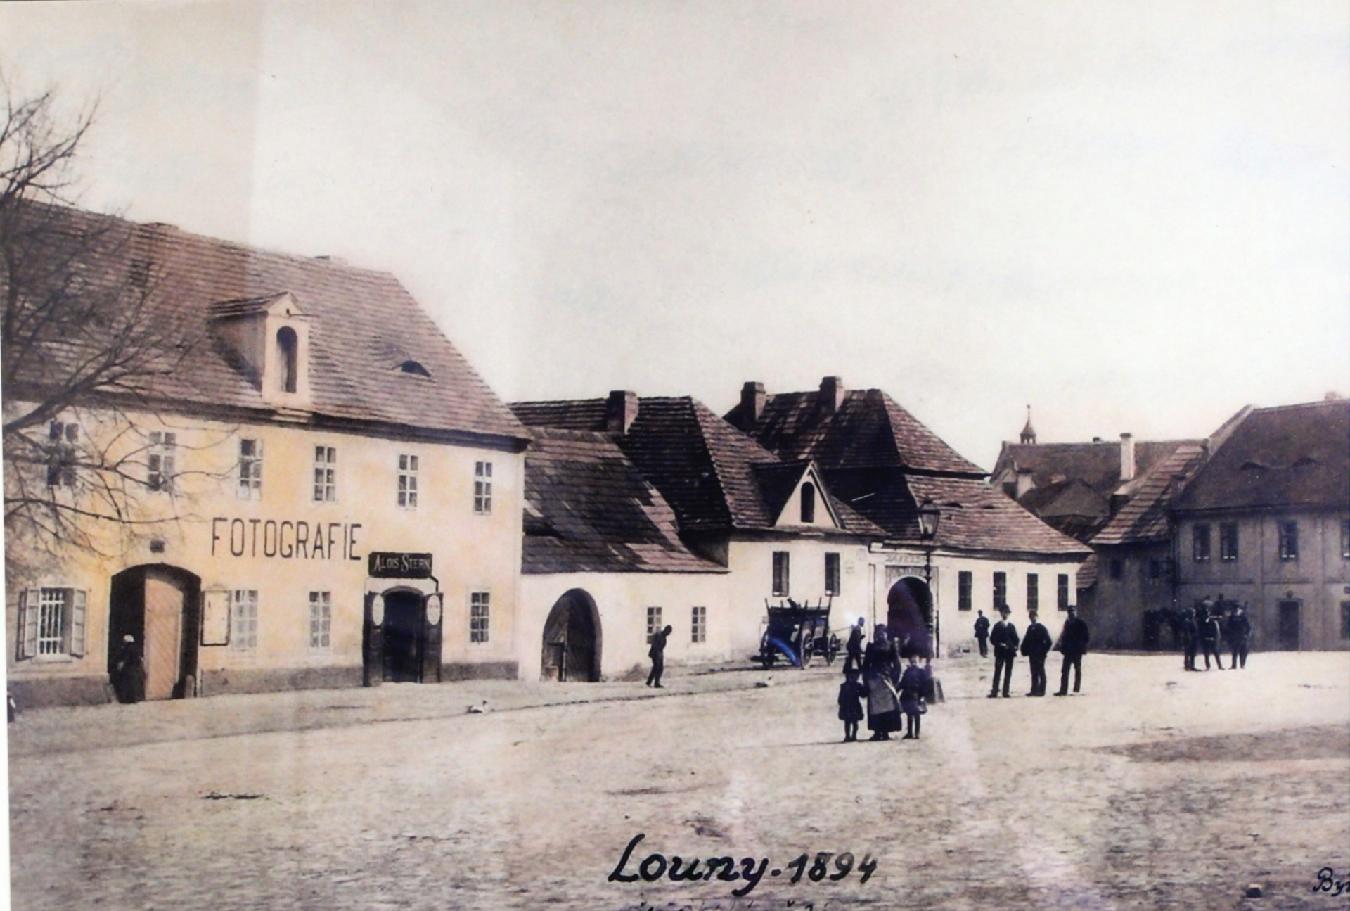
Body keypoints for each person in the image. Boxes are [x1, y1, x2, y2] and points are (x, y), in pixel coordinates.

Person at [863, 624, 901, 740]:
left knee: (887, 707)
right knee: (875, 707)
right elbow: (866, 665)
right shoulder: (871, 647)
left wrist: (894, 680)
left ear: (886, 633)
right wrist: (866, 680)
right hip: (874, 680)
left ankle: (885, 732)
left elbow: (897, 665)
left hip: (887, 679)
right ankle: (877, 732)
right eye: (878, 632)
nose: (880, 635)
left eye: (882, 632)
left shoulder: (891, 646)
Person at [1053, 606, 1090, 696]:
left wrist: (1081, 646)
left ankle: (1076, 689)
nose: (1071, 613)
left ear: (1076, 612)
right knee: (1064, 670)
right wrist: (1062, 647)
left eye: (1072, 611)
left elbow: (1086, 636)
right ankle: (1063, 690)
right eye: (1069, 612)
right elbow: (1064, 636)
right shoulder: (1067, 623)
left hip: (1077, 650)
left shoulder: (1081, 623)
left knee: (1077, 669)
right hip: (1068, 651)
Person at [987, 605, 1019, 699]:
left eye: (1007, 613)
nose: (1005, 614)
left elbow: (1016, 639)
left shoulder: (1011, 626)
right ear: (1001, 614)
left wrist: (1015, 646)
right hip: (1000, 652)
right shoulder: (997, 626)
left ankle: (1006, 692)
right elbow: (992, 639)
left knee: (1008, 672)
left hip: (1009, 653)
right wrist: (1000, 644)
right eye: (1003, 612)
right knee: (997, 671)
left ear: (1008, 614)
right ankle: (994, 691)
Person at [1020, 607, 1053, 696]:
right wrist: (1024, 650)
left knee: (1041, 671)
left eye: (1033, 616)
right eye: (1030, 617)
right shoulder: (1030, 628)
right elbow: (1026, 640)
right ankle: (1034, 690)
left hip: (1040, 654)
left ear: (1037, 617)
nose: (1032, 618)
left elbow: (1049, 641)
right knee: (1033, 672)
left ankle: (1042, 690)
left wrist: (1044, 651)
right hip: (1032, 654)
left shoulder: (1041, 628)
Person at [898, 655, 928, 739]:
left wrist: (922, 695)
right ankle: (912, 733)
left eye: (915, 660)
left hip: (914, 694)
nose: (913, 661)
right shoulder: (910, 671)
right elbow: (903, 683)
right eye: (912, 660)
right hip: (910, 694)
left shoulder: (919, 671)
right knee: (911, 714)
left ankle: (914, 733)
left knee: (914, 713)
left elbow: (924, 684)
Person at [112, 634, 145, 704]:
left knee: (127, 684)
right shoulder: (136, 648)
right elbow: (139, 658)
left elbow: (126, 658)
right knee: (134, 684)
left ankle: (127, 699)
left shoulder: (127, 648)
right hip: (135, 668)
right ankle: (135, 698)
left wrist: (122, 665)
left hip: (128, 669)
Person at [837, 667, 866, 742]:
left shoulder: (857, 685)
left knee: (853, 722)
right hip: (848, 706)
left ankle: (853, 735)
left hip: (853, 706)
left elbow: (863, 694)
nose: (854, 678)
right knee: (848, 722)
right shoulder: (845, 686)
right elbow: (840, 697)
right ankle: (848, 735)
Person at [1197, 600, 1223, 670]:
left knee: (1214, 652)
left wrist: (1213, 637)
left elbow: (1214, 630)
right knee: (1207, 653)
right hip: (1206, 638)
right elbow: (1202, 630)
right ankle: (1209, 666)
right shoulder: (1203, 621)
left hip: (1210, 638)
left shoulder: (1211, 621)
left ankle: (1219, 665)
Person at [1180, 605, 1199, 671]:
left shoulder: (1193, 620)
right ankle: (1187, 665)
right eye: (1193, 612)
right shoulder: (1187, 621)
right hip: (1189, 639)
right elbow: (1187, 631)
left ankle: (1192, 665)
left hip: (1194, 639)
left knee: (1193, 653)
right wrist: (1189, 638)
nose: (1194, 614)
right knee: (1187, 653)